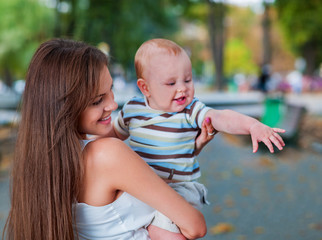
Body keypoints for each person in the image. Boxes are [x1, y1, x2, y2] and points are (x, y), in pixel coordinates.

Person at [3, 38, 215, 240]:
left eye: (110, 89)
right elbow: (195, 225)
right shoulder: (107, 154)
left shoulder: (41, 166)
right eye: (97, 100)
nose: (113, 105)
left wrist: (191, 148)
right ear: (63, 109)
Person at [113, 38, 286, 238]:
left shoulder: (190, 110)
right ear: (145, 88)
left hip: (177, 190)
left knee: (159, 230)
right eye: (171, 83)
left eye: (187, 80)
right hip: (143, 189)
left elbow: (221, 117)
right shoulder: (133, 108)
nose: (182, 88)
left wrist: (252, 125)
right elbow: (113, 135)